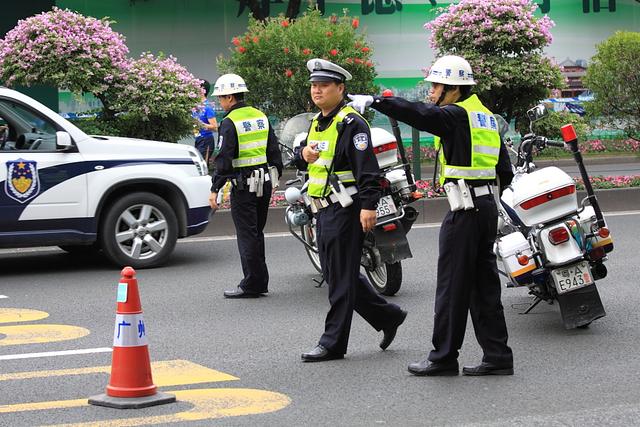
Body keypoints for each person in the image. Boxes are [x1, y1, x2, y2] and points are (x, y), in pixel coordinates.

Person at [349, 55, 514, 376]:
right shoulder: (486, 117)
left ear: (453, 89)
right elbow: (504, 171)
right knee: (484, 286)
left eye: (436, 85)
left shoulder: (455, 115)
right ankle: (497, 355)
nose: (432, 91)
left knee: (452, 285)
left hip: (464, 211)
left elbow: (420, 114)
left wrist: (376, 102)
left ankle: (443, 357)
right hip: (486, 209)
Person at [296, 58, 407, 362]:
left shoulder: (351, 123)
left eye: (324, 85)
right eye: (314, 86)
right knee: (336, 275)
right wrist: (302, 153)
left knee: (340, 279)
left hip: (346, 209)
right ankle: (388, 316)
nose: (317, 90)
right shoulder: (318, 121)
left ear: (340, 88)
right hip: (323, 208)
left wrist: (368, 206)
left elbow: (367, 169)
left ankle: (332, 343)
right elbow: (305, 154)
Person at [209, 73, 283, 299]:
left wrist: (215, 188)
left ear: (230, 97)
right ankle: (260, 281)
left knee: (247, 234)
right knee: (256, 233)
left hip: (244, 186)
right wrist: (276, 175)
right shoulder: (260, 116)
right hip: (264, 182)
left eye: (221, 97)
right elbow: (274, 151)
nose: (220, 102)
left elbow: (223, 159)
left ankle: (252, 284)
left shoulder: (230, 122)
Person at [193, 80, 218, 163]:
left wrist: (200, 124)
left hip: (206, 141)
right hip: (198, 139)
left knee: (203, 166)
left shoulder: (207, 107)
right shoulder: (195, 106)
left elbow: (215, 127)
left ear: (202, 90)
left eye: (196, 87)